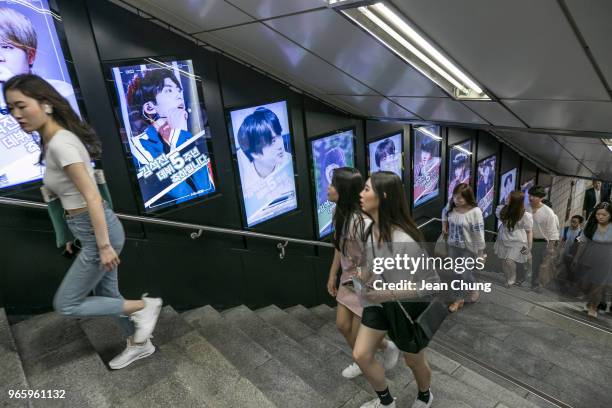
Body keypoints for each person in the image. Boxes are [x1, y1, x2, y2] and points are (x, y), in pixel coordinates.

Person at [4, 74, 162, 370]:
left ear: (46, 104)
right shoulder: (52, 139)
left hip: (97, 230)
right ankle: (141, 344)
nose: (16, 115)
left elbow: (92, 197)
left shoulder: (62, 144)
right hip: (88, 228)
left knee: (66, 303)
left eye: (21, 106)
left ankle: (146, 306)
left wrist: (102, 246)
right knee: (108, 296)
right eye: (11, 108)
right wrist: (68, 233)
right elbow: (70, 194)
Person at [354, 171, 435, 408]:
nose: (361, 194)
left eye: (367, 189)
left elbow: (430, 283)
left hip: (405, 307)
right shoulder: (370, 229)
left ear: (384, 196)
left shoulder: (406, 240)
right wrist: (365, 274)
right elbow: (374, 261)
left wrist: (387, 293)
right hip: (378, 302)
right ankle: (386, 401)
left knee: (414, 361)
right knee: (361, 355)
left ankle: (425, 394)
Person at [325, 168, 399, 380]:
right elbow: (338, 248)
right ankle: (369, 355)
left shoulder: (363, 223)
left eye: (332, 184)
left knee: (360, 335)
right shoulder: (337, 213)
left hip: (367, 284)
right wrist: (332, 275)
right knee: (342, 325)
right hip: (349, 280)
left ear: (343, 190)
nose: (328, 188)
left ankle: (372, 358)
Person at [126, 69, 210, 206]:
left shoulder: (188, 135)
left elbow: (206, 188)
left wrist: (180, 135)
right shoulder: (139, 147)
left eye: (179, 91)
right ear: (150, 108)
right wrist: (180, 135)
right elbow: (181, 196)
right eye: (169, 91)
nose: (179, 96)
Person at [442, 183, 485, 312]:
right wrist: (444, 226)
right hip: (452, 246)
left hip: (468, 248)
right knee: (457, 273)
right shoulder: (451, 206)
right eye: (455, 197)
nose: (456, 200)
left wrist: (481, 253)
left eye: (460, 198)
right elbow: (444, 214)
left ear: (467, 197)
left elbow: (479, 233)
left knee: (463, 274)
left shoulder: (475, 212)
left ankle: (458, 299)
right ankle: (470, 289)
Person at [571, 202, 612, 318]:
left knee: (598, 284)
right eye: (598, 214)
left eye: (604, 215)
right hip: (590, 255)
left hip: (607, 257)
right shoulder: (591, 225)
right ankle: (590, 301)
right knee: (585, 284)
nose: (601, 217)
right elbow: (583, 242)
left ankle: (593, 306)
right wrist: (577, 258)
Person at [523, 186, 560, 292]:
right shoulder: (526, 207)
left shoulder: (548, 212)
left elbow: (553, 232)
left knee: (536, 263)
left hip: (540, 242)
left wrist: (550, 248)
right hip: (525, 240)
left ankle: (535, 283)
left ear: (541, 198)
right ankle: (520, 278)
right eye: (529, 195)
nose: (530, 198)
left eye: (534, 196)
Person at [494, 191, 533, 287]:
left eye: (509, 198)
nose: (506, 199)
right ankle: (508, 277)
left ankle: (513, 277)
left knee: (509, 261)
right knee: (504, 261)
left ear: (515, 202)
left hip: (517, 241)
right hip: (503, 238)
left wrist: (529, 246)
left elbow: (529, 231)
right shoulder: (501, 209)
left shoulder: (525, 215)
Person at [559, 215, 583, 293]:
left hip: (573, 255)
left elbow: (579, 245)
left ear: (580, 224)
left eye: (575, 222)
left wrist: (576, 257)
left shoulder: (580, 233)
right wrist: (559, 253)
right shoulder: (566, 229)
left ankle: (567, 286)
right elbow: (562, 242)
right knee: (562, 269)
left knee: (570, 270)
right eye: (572, 221)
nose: (572, 223)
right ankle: (563, 285)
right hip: (564, 252)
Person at [414, 138, 440, 205]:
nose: (424, 156)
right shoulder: (416, 168)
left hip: (433, 201)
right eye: (423, 151)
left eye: (427, 152)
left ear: (432, 153)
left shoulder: (438, 164)